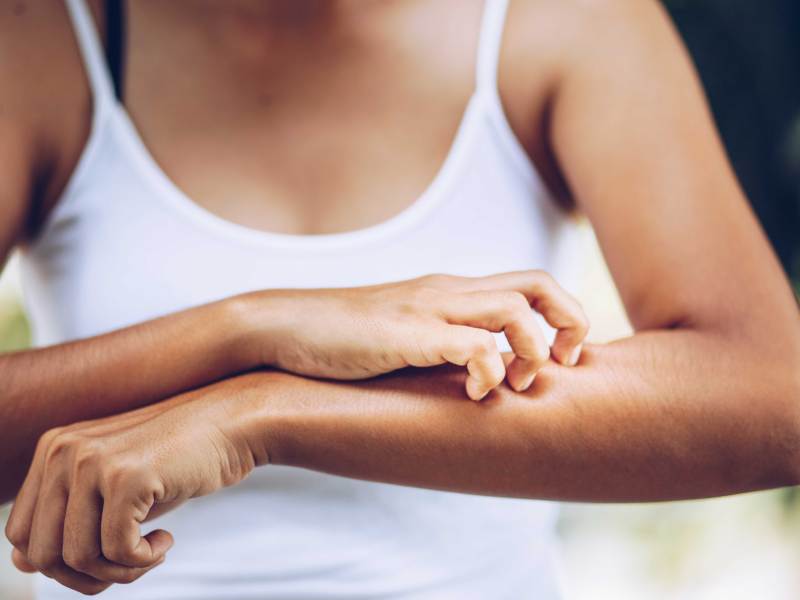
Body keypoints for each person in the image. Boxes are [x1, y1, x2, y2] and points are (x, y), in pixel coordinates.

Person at [1, 0, 798, 598]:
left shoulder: (561, 20)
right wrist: (249, 328)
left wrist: (264, 412)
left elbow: (768, 391)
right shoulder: (43, 36)